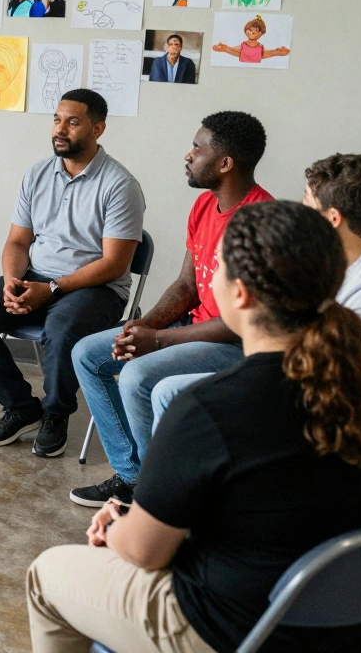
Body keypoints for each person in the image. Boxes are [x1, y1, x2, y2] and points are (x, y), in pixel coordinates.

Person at [27, 201, 361, 653]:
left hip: (233, 629)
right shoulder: (351, 383)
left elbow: (145, 553)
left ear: (240, 294)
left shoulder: (210, 408)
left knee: (47, 576)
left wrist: (116, 528)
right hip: (342, 630)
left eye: (219, 265)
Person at [67, 112, 272, 507]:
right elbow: (186, 286)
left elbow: (241, 322)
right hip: (194, 327)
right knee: (89, 353)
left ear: (225, 163)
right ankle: (134, 477)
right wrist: (141, 327)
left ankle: (157, 495)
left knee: (138, 377)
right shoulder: (202, 206)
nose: (188, 155)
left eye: (198, 148)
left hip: (238, 344)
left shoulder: (259, 219)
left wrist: (158, 339)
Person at [0, 89, 145, 458]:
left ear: (98, 128)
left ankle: (56, 414)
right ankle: (23, 407)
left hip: (97, 287)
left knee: (61, 330)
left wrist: (52, 289)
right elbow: (17, 242)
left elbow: (114, 264)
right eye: (57, 119)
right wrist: (11, 280)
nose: (60, 129)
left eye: (73, 122)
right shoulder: (37, 174)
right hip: (37, 276)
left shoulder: (120, 185)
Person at [149, 153, 361, 430]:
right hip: (289, 371)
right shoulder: (327, 262)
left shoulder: (359, 296)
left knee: (171, 393)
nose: (298, 209)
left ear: (333, 218)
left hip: (313, 397)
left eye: (307, 203)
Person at [212, 15, 290, 64]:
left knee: (263, 54)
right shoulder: (243, 45)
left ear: (261, 33)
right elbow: (238, 49)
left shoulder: (260, 47)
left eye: (256, 31)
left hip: (257, 53)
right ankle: (224, 48)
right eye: (250, 30)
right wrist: (228, 48)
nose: (252, 32)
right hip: (244, 53)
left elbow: (265, 52)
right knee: (240, 52)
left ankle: (278, 52)